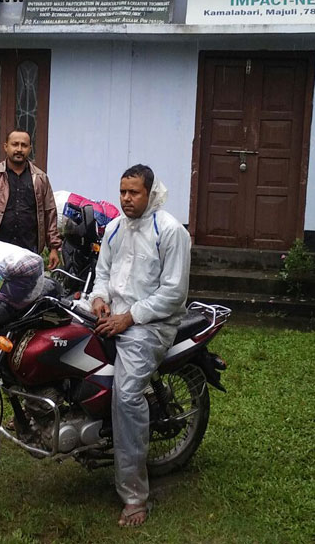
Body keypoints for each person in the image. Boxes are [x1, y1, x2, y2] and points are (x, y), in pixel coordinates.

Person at [90, 164, 191, 527]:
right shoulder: (114, 228)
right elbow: (102, 274)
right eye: (122, 192)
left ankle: (134, 496)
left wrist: (129, 317)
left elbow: (173, 293)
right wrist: (99, 298)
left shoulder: (171, 231)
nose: (126, 199)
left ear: (150, 193)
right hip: (113, 316)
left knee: (128, 395)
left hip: (152, 325)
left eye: (134, 192)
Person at [0, 128, 62, 269]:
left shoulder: (40, 179)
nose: (19, 149)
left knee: (26, 283)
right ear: (6, 147)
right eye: (15, 144)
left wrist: (53, 248)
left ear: (30, 149)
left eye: (24, 145)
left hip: (28, 250)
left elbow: (49, 213)